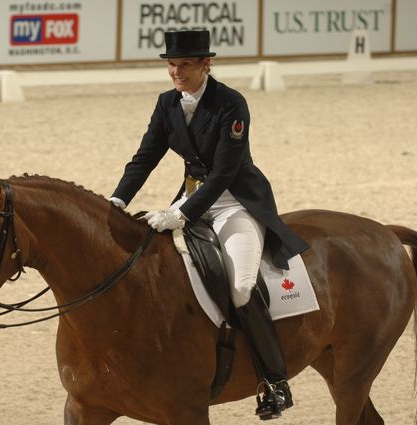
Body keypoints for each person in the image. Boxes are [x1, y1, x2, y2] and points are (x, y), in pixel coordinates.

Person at [109, 30, 308, 420]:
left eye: (184, 65)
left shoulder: (231, 104)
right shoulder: (167, 104)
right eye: (171, 65)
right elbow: (144, 157)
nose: (176, 72)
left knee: (241, 287)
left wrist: (181, 215)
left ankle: (275, 381)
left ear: (205, 64)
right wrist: (117, 201)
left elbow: (223, 173)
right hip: (192, 198)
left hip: (236, 203)